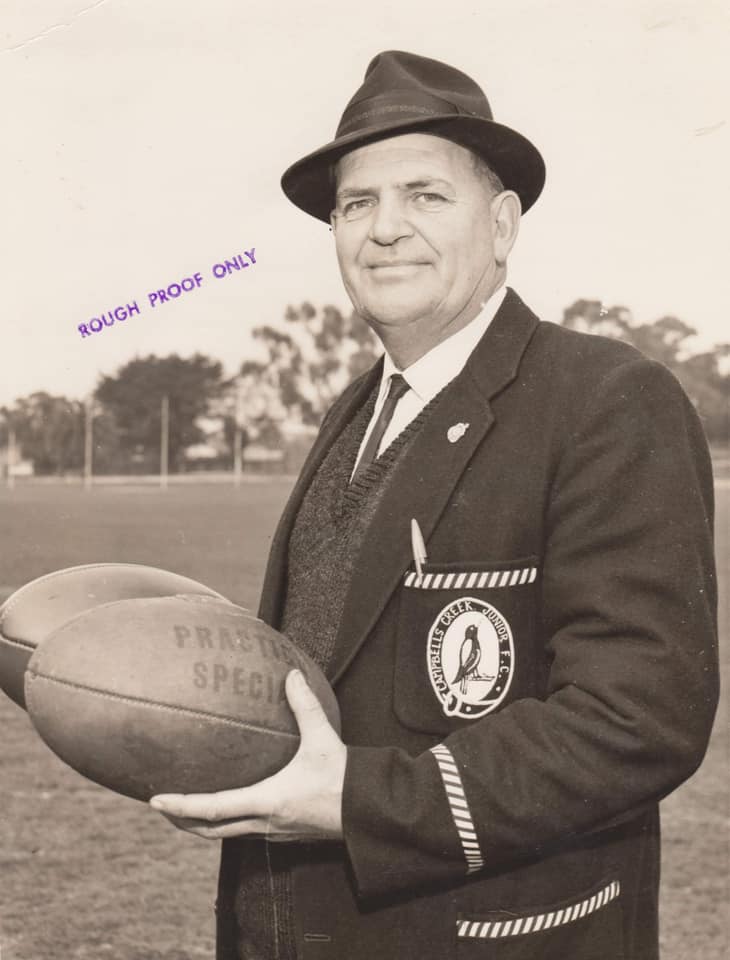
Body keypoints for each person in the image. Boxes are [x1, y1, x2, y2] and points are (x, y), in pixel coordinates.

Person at [150, 51, 719, 960]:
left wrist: (358, 803)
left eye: (425, 196)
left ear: (500, 226)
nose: (385, 230)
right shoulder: (354, 411)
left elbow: (639, 717)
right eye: (356, 204)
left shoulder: (607, 397)